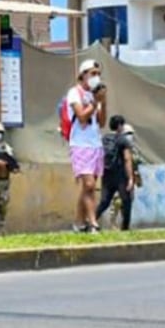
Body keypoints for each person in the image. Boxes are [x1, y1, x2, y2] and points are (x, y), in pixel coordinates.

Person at [62, 61, 105, 233]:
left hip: (95, 144)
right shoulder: (75, 93)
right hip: (80, 144)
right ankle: (92, 222)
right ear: (83, 74)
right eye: (92, 73)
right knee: (88, 185)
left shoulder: (95, 95)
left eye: (98, 73)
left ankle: (78, 223)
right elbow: (81, 117)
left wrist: (103, 101)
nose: (95, 77)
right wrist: (94, 103)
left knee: (90, 185)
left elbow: (101, 122)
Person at [96, 115, 140, 231]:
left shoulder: (104, 138)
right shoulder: (122, 139)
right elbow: (127, 159)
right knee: (127, 201)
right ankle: (125, 228)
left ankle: (91, 222)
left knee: (104, 202)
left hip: (107, 174)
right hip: (120, 176)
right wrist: (130, 178)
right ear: (120, 126)